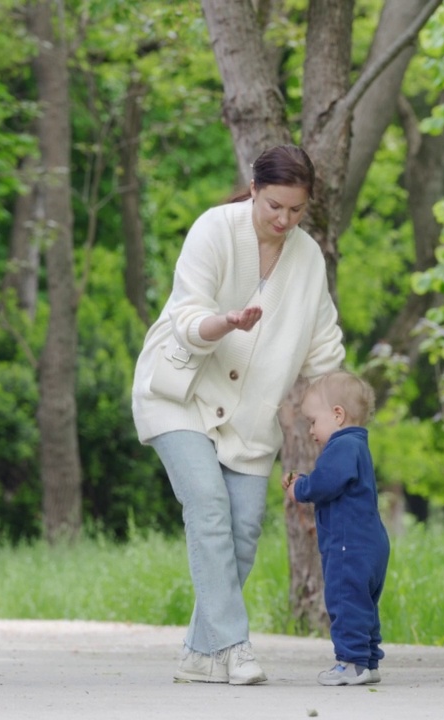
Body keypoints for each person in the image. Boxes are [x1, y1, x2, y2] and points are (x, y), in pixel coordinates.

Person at [132, 144, 345, 686]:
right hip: (178, 393)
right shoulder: (214, 229)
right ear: (253, 189)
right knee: (206, 505)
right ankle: (234, 645)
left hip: (249, 419)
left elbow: (324, 351)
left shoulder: (308, 258)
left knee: (243, 533)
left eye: (297, 210)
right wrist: (223, 323)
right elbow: (185, 317)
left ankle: (199, 655)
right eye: (275, 205)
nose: (284, 220)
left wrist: (346, 417)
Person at [282, 370, 390, 686]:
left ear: (338, 415)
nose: (312, 429)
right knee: (363, 603)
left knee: (345, 600)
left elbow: (326, 482)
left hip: (349, 544)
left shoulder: (342, 446)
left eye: (314, 421)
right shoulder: (357, 446)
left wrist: (299, 487)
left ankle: (351, 662)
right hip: (369, 542)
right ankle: (368, 661)